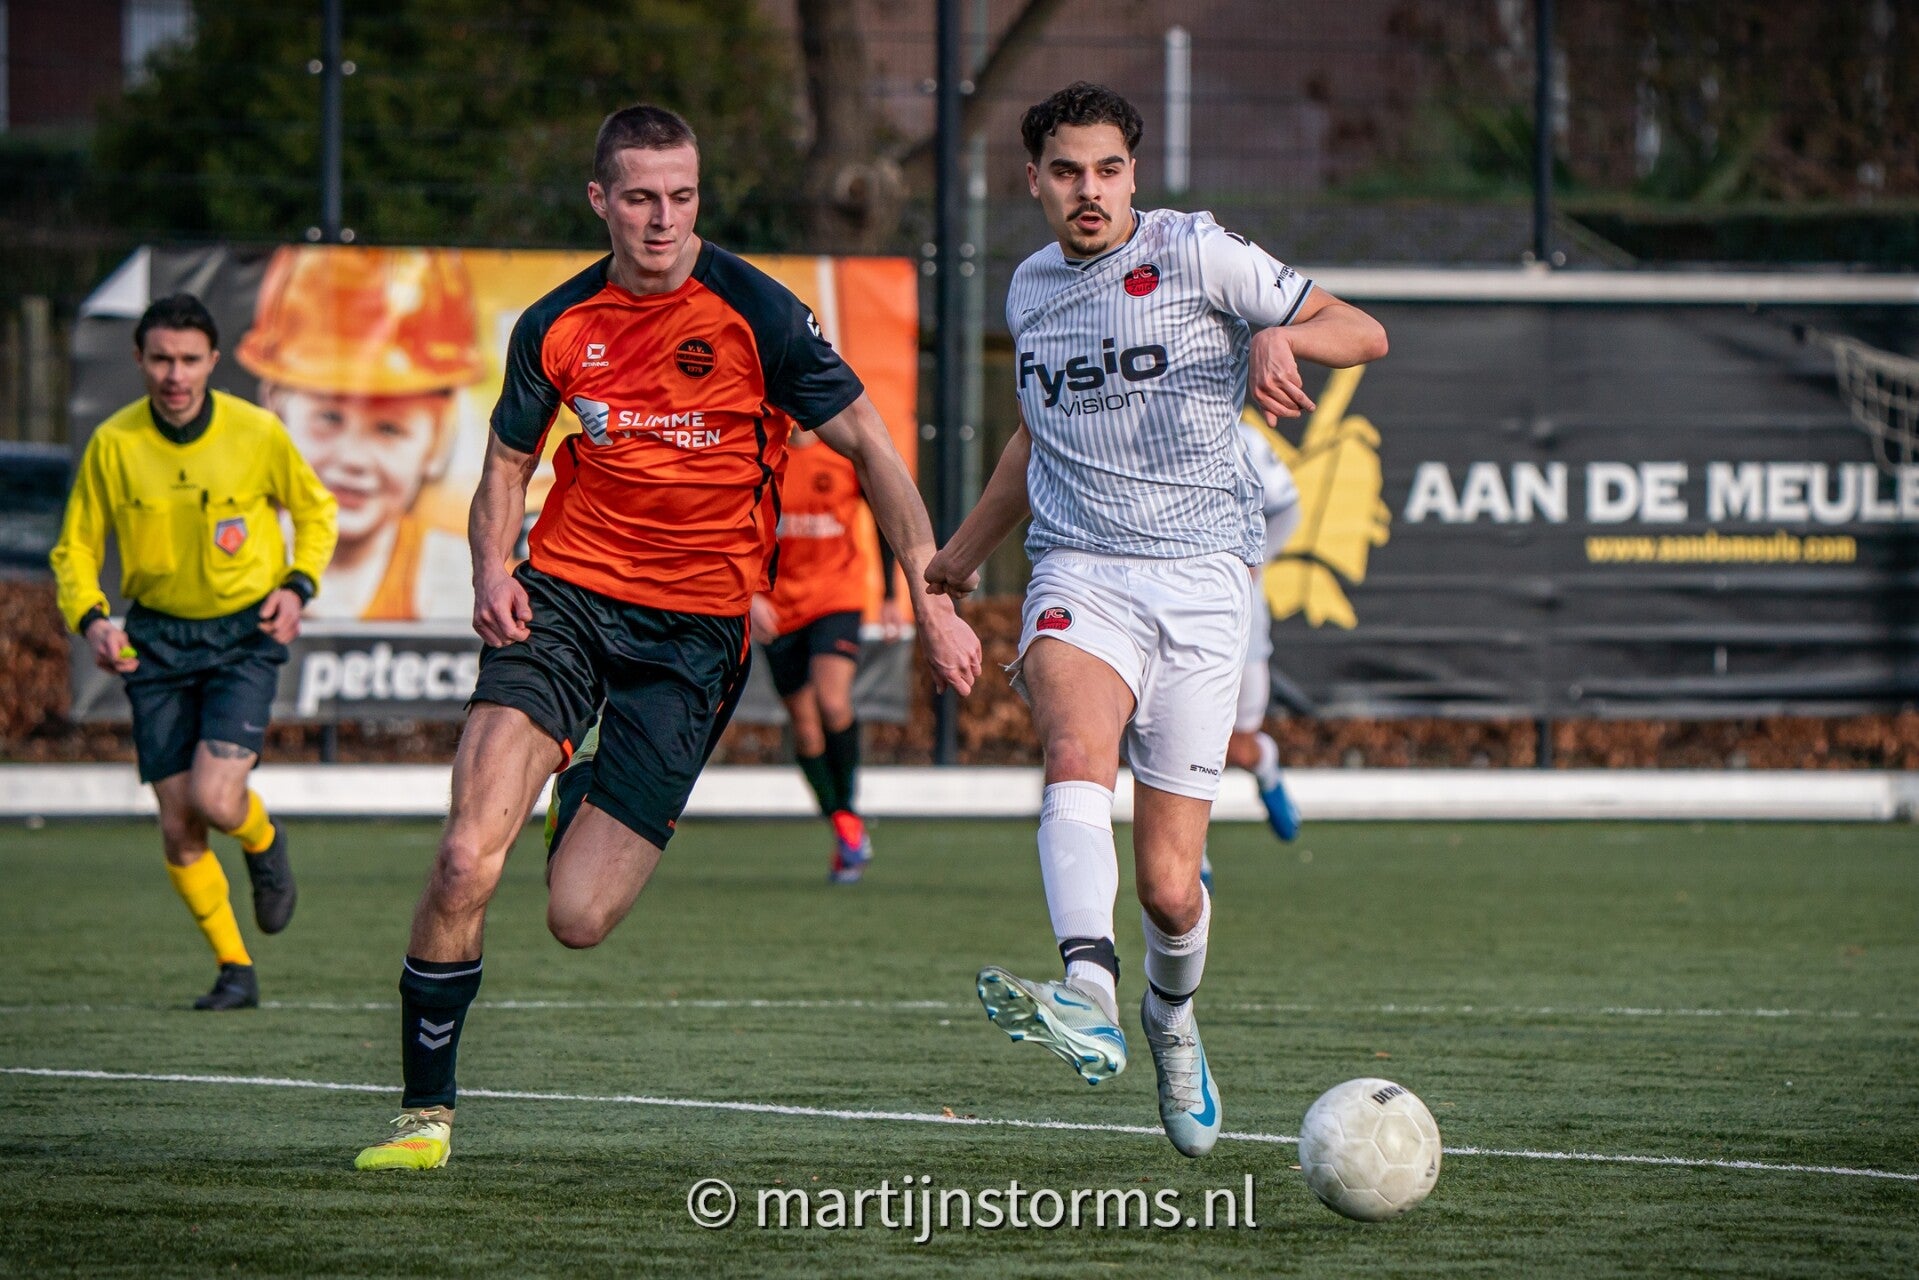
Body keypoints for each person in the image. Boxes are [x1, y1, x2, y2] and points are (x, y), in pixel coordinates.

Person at [353, 104, 982, 1171]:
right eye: (640, 197)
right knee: (464, 855)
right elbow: (507, 462)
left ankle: (581, 781)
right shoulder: (556, 323)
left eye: (682, 197)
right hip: (563, 603)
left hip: (694, 638)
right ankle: (424, 1115)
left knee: (577, 916)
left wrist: (931, 593)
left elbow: (872, 445)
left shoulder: (757, 313)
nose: (663, 220)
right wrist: (492, 569)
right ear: (599, 199)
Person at [924, 82, 1386, 1158]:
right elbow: (1031, 441)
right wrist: (961, 556)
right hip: (1079, 567)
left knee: (1172, 890)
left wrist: (1281, 338)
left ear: (1134, 174)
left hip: (1202, 581)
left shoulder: (1195, 252)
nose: (1088, 191)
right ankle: (1086, 987)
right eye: (1065, 172)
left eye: (1108, 170)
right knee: (1073, 751)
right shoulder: (1030, 289)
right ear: (1032, 181)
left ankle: (1169, 1020)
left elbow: (1362, 330)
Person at [50, 294, 339, 1010]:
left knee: (216, 798)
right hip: (156, 642)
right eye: (160, 359)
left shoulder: (257, 432)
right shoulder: (114, 444)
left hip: (244, 636)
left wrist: (298, 585)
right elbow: (75, 548)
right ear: (139, 360)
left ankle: (262, 839)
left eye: (188, 359)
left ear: (212, 360)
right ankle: (235, 968)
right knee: (179, 822)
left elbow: (316, 511)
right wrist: (92, 620)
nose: (174, 375)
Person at [238, 247, 487, 620]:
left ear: (437, 438)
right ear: (275, 408)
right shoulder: (230, 556)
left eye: (389, 429)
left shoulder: (459, 582)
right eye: (328, 418)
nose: (352, 459)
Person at [749, 423, 906, 883]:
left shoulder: (842, 454)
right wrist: (750, 594)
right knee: (804, 727)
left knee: (832, 701)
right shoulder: (761, 455)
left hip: (837, 596)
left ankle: (848, 815)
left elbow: (884, 517)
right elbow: (735, 527)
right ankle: (844, 823)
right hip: (778, 605)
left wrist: (891, 595)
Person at [1202, 411, 1305, 891]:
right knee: (1170, 741)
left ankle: (1264, 762)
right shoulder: (1137, 426)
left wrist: (1253, 564)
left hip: (1240, 616)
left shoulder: (1242, 436)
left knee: (1235, 746)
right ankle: (1188, 856)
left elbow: (1287, 507)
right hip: (1168, 612)